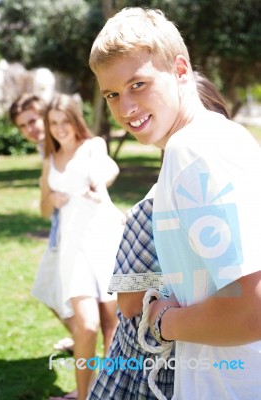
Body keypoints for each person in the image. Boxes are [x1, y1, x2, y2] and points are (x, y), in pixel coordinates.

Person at [89, 7, 261, 399]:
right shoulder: (220, 137)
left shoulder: (192, 150)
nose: (125, 109)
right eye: (112, 94)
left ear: (181, 70)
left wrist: (163, 320)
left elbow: (253, 309)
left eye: (138, 84)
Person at [87, 70, 232, 399]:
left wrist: (163, 309)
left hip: (152, 366)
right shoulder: (242, 185)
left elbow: (127, 304)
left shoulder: (152, 208)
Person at [35, 93, 124, 400]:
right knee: (86, 325)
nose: (60, 129)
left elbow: (109, 168)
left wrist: (99, 183)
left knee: (113, 324)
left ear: (75, 120)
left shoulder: (92, 147)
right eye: (53, 123)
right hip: (72, 248)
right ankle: (84, 396)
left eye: (64, 121)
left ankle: (111, 392)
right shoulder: (50, 160)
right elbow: (43, 209)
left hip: (104, 239)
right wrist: (52, 199)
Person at [9, 93, 75, 353]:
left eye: (33, 120)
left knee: (58, 293)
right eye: (23, 126)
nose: (30, 129)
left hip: (73, 233)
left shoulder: (61, 141)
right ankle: (81, 339)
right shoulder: (46, 147)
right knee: (49, 291)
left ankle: (85, 345)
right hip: (60, 229)